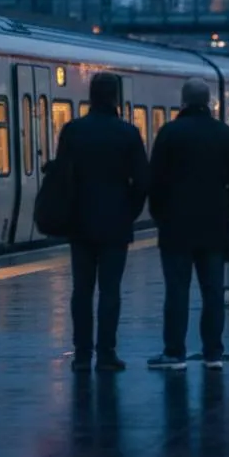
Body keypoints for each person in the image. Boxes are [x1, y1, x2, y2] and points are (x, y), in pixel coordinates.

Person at [147, 78, 229, 370]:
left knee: (176, 291)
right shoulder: (223, 134)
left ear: (183, 101)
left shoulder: (169, 133)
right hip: (214, 226)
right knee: (213, 291)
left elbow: (155, 181)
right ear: (210, 103)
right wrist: (226, 208)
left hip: (175, 227)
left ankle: (174, 353)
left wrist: (161, 215)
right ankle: (213, 353)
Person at [54, 72, 150, 372]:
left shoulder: (72, 131)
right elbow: (143, 182)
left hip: (79, 224)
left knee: (81, 290)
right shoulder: (128, 134)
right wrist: (128, 211)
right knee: (110, 290)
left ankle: (82, 355)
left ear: (90, 96)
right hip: (115, 224)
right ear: (115, 98)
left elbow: (61, 177)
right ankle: (106, 354)